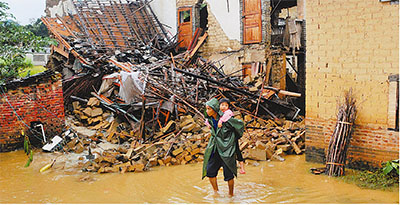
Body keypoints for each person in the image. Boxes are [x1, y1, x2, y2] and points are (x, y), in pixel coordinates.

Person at [202, 98, 244, 197]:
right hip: (215, 148)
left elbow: (239, 126)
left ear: (215, 109)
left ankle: (231, 195)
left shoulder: (227, 119)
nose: (207, 111)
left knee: (229, 174)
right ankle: (216, 192)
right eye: (206, 109)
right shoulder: (210, 120)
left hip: (227, 149)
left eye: (209, 109)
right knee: (210, 172)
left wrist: (231, 140)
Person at [218, 98, 246, 174]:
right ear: (219, 105)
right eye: (222, 105)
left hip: (232, 136)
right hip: (224, 136)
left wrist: (220, 121)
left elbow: (225, 118)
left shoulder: (228, 113)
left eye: (226, 105)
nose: (224, 107)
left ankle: (242, 168)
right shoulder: (218, 113)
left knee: (237, 150)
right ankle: (226, 165)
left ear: (228, 107)